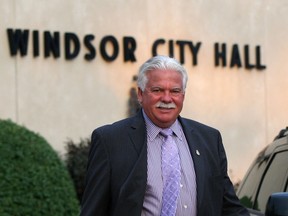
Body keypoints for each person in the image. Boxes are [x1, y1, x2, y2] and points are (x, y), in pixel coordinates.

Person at [80, 55, 249, 216]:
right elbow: (93, 210)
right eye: (157, 90)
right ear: (140, 94)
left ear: (183, 95)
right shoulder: (111, 141)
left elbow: (229, 207)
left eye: (175, 91)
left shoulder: (209, 140)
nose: (167, 98)